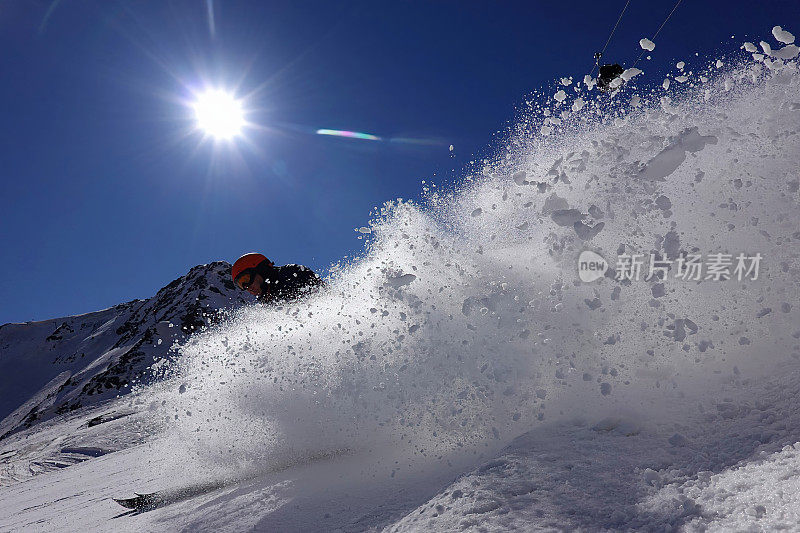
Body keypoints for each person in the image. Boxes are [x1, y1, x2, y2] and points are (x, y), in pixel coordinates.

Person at [231, 252, 323, 303]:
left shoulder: (292, 274)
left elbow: (321, 295)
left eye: (246, 279)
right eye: (241, 285)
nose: (247, 287)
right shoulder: (266, 300)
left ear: (260, 270)